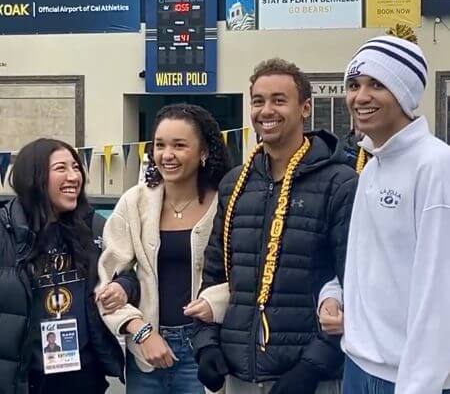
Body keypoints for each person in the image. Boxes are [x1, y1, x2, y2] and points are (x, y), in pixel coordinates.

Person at [192, 58, 358, 394]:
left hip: (310, 379)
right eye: (258, 101)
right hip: (240, 374)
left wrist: (312, 368)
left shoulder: (340, 182)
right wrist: (207, 344)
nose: (267, 110)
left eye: (279, 100)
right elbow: (214, 274)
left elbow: (352, 284)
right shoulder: (235, 183)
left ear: (305, 108)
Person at [319, 27, 450, 394]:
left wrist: (418, 385)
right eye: (354, 84)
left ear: (406, 94)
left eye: (377, 84)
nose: (360, 97)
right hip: (358, 365)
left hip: (405, 377)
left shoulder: (435, 166)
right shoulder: (373, 165)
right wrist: (335, 294)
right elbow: (367, 264)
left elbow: (439, 292)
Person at [97, 103, 232, 394]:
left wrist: (215, 302)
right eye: (160, 145)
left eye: (179, 145)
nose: (166, 155)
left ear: (204, 152)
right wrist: (142, 332)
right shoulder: (133, 203)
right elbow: (106, 285)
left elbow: (247, 276)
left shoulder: (228, 203)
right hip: (146, 356)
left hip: (206, 352)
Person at [0, 138, 138, 394]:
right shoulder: (5, 231)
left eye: (76, 167)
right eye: (61, 168)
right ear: (34, 176)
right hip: (26, 375)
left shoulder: (93, 225)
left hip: (84, 372)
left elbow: (128, 273)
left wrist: (123, 287)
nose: (74, 176)